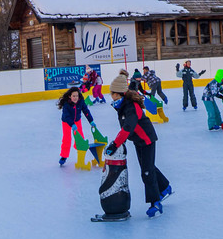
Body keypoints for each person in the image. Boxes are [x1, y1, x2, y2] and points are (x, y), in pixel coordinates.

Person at [106, 82, 172, 217]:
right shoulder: (122, 106)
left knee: (147, 172)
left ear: (120, 94)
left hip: (147, 139)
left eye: (114, 95)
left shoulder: (131, 107)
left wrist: (116, 144)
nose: (112, 98)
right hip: (138, 140)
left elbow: (128, 127)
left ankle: (155, 203)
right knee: (148, 167)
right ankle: (165, 187)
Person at [56, 86, 97, 165]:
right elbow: (66, 116)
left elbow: (86, 111)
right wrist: (72, 124)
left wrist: (91, 121)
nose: (75, 98)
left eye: (77, 96)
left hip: (77, 120)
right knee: (66, 139)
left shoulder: (81, 102)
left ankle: (79, 149)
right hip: (67, 122)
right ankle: (64, 156)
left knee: (80, 137)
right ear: (69, 96)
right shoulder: (66, 104)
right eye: (73, 96)